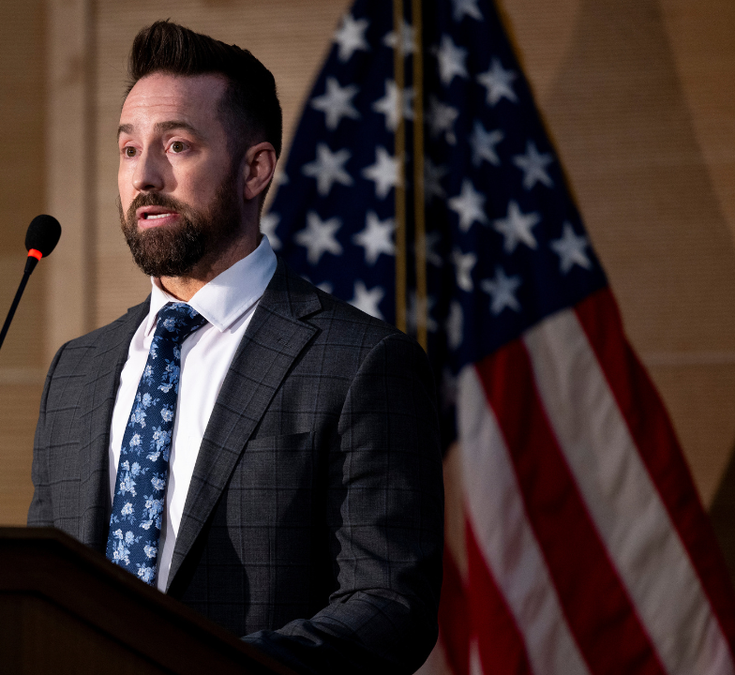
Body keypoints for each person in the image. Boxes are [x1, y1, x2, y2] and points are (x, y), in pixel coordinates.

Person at [27, 20, 443, 675]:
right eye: (129, 149)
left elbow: (389, 605)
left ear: (255, 169)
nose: (145, 176)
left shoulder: (361, 363)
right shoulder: (77, 372)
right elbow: (41, 597)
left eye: (178, 146)